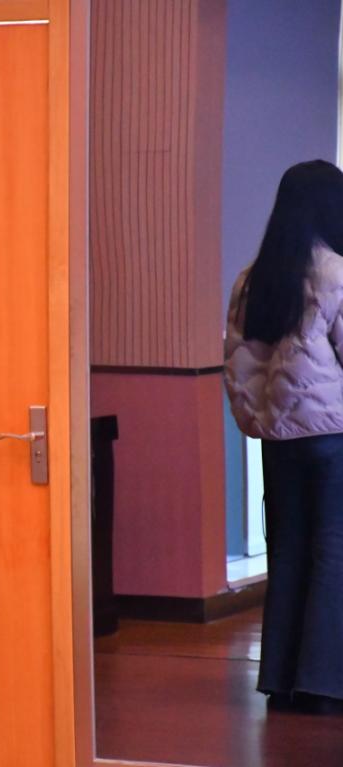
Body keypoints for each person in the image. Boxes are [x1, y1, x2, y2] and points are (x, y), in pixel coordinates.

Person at [225, 159, 343, 715]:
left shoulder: (252, 280)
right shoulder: (336, 273)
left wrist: (258, 420)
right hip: (334, 435)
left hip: (278, 440)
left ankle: (279, 679)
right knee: (333, 551)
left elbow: (239, 362)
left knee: (288, 551)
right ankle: (323, 685)